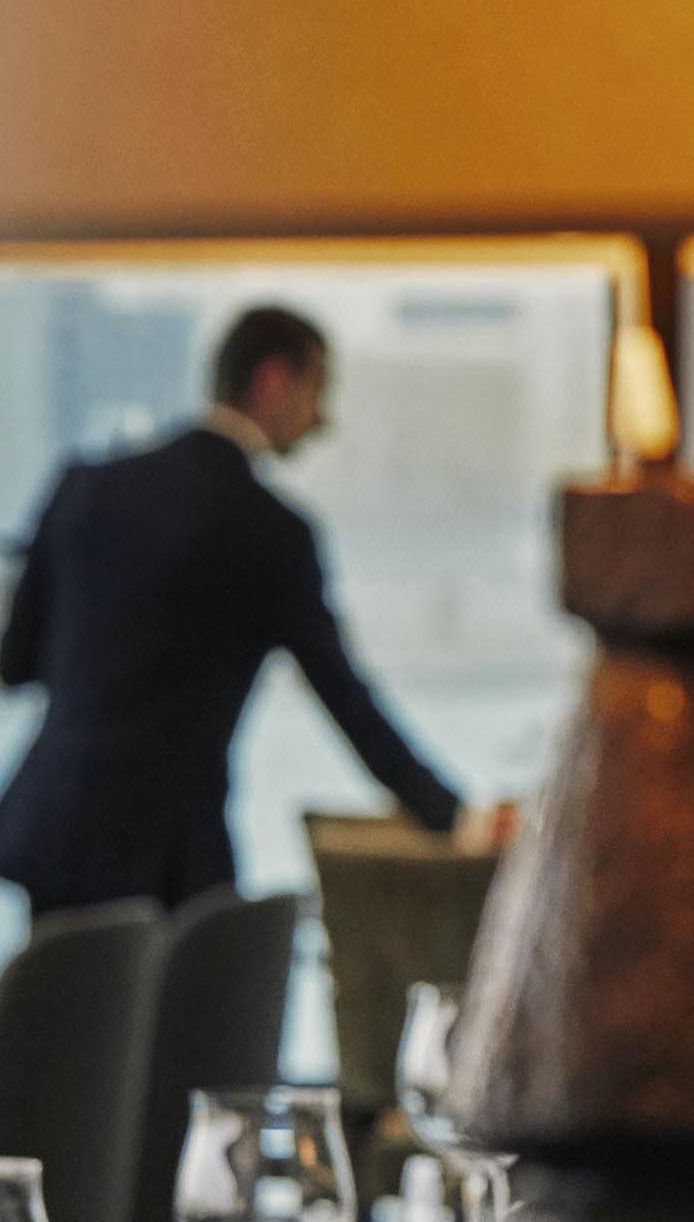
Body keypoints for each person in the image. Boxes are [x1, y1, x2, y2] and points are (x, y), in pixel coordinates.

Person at [0, 304, 462, 915]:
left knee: (64, 979)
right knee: (185, 978)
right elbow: (346, 699)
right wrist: (451, 815)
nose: (321, 421)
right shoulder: (270, 532)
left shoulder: (86, 486)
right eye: (317, 392)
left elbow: (16, 662)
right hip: (167, 851)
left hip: (52, 827)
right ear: (274, 380)